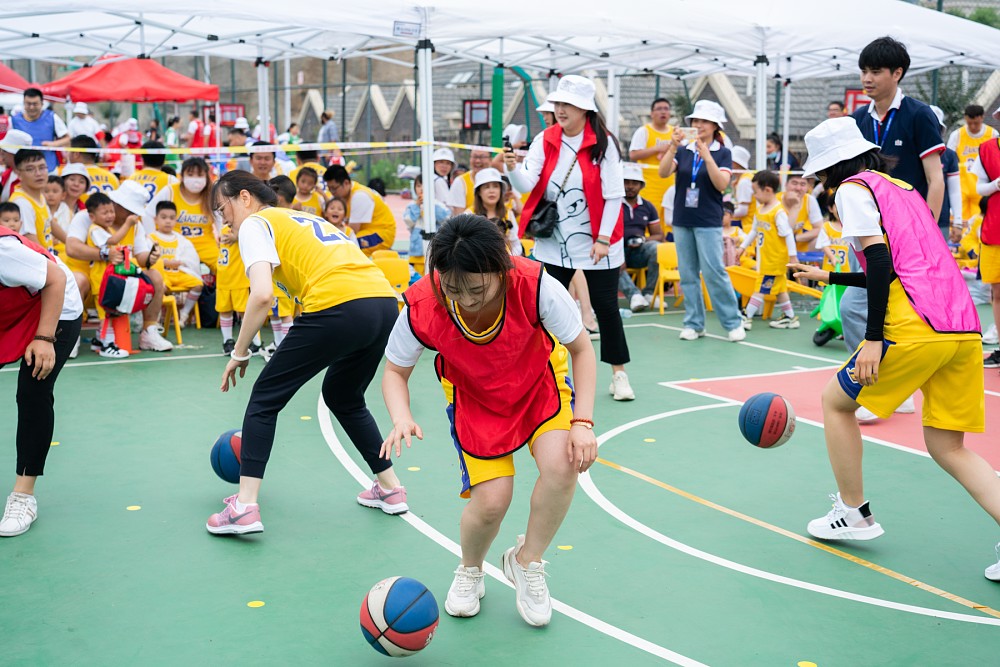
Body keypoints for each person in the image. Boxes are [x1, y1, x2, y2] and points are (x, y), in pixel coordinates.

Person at [789, 118, 1000, 582]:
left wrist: (873, 337)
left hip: (914, 326)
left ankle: (853, 512)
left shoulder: (850, 189)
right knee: (948, 446)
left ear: (830, 167)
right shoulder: (902, 188)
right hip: (961, 326)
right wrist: (833, 278)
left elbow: (882, 260)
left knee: (834, 402)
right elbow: (905, 266)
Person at [380, 214, 597, 627]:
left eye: (477, 289)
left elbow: (582, 351)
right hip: (475, 400)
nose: (464, 299)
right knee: (492, 502)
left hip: (538, 385)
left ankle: (527, 561)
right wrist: (401, 415)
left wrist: (582, 421)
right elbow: (394, 372)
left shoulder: (535, 287)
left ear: (503, 268)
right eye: (453, 288)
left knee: (564, 465)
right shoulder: (423, 304)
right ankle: (471, 569)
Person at [207, 170, 403, 535]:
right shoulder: (303, 217)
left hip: (339, 303)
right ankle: (390, 488)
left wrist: (240, 350)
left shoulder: (256, 224)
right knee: (343, 397)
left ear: (245, 198)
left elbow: (262, 294)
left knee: (264, 398)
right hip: (384, 303)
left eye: (224, 208)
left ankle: (244, 507)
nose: (226, 218)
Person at [505, 74, 635, 401]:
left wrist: (604, 238)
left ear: (584, 110)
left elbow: (614, 195)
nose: (560, 110)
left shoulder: (604, 144)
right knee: (544, 306)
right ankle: (539, 373)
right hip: (553, 242)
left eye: (567, 104)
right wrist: (510, 168)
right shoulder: (545, 138)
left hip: (598, 242)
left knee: (606, 308)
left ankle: (619, 374)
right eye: (558, 104)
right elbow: (524, 184)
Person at [844, 35, 943, 422]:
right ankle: (887, 387)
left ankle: (892, 388)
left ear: (897, 73)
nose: (867, 78)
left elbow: (935, 179)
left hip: (912, 236)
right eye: (864, 71)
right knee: (856, 308)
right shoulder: (858, 121)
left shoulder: (919, 116)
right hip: (872, 232)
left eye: (875, 71)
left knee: (905, 315)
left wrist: (929, 232)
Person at [0, 216, 83, 537]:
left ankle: (24, 496)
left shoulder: (3, 250)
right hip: (14, 308)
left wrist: (45, 338)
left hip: (56, 305)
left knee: (32, 390)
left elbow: (56, 279)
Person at [658, 99, 746, 343]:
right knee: (687, 273)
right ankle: (694, 323)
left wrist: (707, 156)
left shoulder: (724, 152)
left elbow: (721, 184)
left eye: (704, 121)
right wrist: (673, 147)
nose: (699, 125)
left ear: (715, 126)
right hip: (682, 217)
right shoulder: (684, 149)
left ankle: (733, 322)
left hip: (708, 220)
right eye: (695, 121)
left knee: (714, 271)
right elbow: (663, 172)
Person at [83, 185, 172, 356]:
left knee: (155, 276)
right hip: (97, 280)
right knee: (106, 313)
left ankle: (149, 331)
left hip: (123, 279)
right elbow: (74, 247)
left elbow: (141, 255)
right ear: (117, 204)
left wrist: (151, 257)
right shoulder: (93, 220)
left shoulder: (135, 225)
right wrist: (103, 254)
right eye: (130, 210)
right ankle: (106, 343)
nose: (134, 215)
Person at [737, 170, 800, 329]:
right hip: (765, 258)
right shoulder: (760, 210)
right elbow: (753, 231)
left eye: (755, 192)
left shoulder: (777, 212)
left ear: (768, 190)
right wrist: (742, 247)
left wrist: (793, 257)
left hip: (775, 259)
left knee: (761, 287)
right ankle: (790, 317)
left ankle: (747, 316)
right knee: (779, 289)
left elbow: (788, 235)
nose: (754, 196)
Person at [145, 157, 218, 270]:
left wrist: (225, 236)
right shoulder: (170, 191)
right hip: (176, 243)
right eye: (190, 174)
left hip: (205, 244)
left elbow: (221, 219)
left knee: (223, 266)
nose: (195, 179)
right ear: (182, 176)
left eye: (200, 175)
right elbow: (148, 213)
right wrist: (153, 240)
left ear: (206, 177)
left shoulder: (211, 194)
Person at [970, 127, 1000, 368]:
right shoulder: (988, 149)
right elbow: (979, 188)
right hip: (994, 230)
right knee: (996, 292)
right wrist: (996, 185)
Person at [148, 200, 203, 325]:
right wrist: (166, 262)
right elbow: (149, 257)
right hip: (162, 275)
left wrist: (180, 262)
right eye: (164, 217)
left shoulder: (180, 239)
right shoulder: (151, 238)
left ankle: (184, 313)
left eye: (172, 218)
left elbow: (190, 258)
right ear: (156, 219)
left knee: (198, 284)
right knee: (159, 287)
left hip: (178, 274)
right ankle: (156, 317)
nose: (168, 221)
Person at [617, 162, 662, 312]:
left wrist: (643, 240)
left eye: (634, 183)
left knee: (656, 248)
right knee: (609, 258)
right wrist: (617, 252)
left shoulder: (648, 207)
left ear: (641, 186)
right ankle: (635, 295)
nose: (630, 186)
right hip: (617, 250)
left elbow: (658, 235)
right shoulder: (613, 204)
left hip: (639, 252)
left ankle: (649, 293)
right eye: (626, 182)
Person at [323, 164, 396, 254]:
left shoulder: (360, 196)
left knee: (348, 244)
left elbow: (352, 230)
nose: (332, 192)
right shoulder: (342, 194)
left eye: (334, 188)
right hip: (366, 231)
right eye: (329, 189)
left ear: (346, 183)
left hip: (381, 234)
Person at [628, 98, 675, 225]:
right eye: (659, 109)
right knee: (651, 219)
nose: (663, 112)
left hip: (670, 185)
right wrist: (657, 149)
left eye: (666, 109)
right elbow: (633, 154)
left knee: (668, 221)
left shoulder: (675, 132)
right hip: (648, 186)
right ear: (652, 113)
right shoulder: (644, 131)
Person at [947, 104, 995, 223]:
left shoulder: (992, 134)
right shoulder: (957, 135)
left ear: (982, 118)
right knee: (958, 222)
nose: (973, 126)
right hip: (962, 185)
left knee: (979, 222)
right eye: (969, 123)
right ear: (965, 119)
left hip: (982, 186)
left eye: (976, 123)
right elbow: (948, 159)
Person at [11, 88, 70, 172]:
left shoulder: (52, 117)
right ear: (24, 104)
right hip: (23, 170)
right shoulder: (14, 120)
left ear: (42, 104)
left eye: (35, 104)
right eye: (28, 104)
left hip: (49, 168)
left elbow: (68, 138)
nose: (31, 107)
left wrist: (53, 144)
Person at [928, 105, 964, 242]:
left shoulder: (949, 155)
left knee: (937, 260)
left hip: (941, 220)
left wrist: (958, 222)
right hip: (911, 218)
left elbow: (954, 191)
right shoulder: (908, 153)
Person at [468, 168, 522, 256]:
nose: (491, 191)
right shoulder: (469, 215)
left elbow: (516, 245)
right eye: (486, 187)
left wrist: (508, 259)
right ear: (479, 192)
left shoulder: (508, 214)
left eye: (496, 186)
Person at [10, 149, 53, 252]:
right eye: (30, 169)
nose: (38, 173)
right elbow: (31, 241)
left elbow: (50, 223)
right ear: (19, 174)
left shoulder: (39, 195)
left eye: (42, 168)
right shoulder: (22, 203)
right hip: (40, 262)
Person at [404, 174, 449, 261]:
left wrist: (431, 205)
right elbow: (408, 222)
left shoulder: (438, 204)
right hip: (417, 251)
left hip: (436, 250)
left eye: (425, 185)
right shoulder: (411, 205)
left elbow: (445, 219)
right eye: (418, 186)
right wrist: (417, 206)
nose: (421, 188)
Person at [448, 148, 493, 216]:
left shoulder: (499, 180)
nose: (478, 161)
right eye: (474, 157)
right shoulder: (460, 182)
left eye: (482, 157)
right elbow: (459, 218)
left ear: (490, 160)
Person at [1, 130, 33, 203]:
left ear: (14, 154)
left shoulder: (29, 179)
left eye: (4, 150)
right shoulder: (6, 174)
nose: (2, 153)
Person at [43, 175, 70, 259]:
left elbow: (66, 231)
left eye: (55, 191)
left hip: (62, 248)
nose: (50, 195)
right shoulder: (41, 208)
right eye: (46, 191)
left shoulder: (66, 211)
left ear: (63, 195)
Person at [730, 145, 756, 230]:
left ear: (736, 163)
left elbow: (743, 210)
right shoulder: (745, 178)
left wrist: (725, 214)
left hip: (746, 227)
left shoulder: (744, 182)